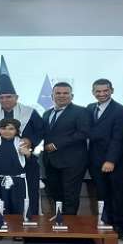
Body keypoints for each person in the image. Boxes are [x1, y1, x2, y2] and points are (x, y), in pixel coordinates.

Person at [0, 57, 44, 205]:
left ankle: (29, 221)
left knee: (28, 195)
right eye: (1, 97)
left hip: (26, 160)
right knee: (1, 199)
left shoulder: (30, 112)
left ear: (16, 97)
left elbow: (42, 131)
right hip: (0, 162)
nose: (5, 100)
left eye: (9, 97)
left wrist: (31, 141)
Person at [86, 79, 123, 237]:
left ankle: (119, 226)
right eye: (98, 91)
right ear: (93, 92)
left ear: (112, 90)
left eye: (105, 91)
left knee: (117, 194)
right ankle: (105, 221)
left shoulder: (120, 110)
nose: (102, 94)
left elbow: (118, 138)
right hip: (94, 160)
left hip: (113, 161)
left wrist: (111, 160)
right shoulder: (90, 108)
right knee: (102, 193)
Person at [41, 82, 90, 215]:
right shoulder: (46, 113)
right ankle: (59, 222)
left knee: (70, 196)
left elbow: (83, 133)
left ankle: (69, 228)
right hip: (51, 162)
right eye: (58, 93)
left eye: (65, 93)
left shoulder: (81, 111)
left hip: (73, 162)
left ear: (71, 95)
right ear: (52, 96)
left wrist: (57, 144)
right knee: (55, 194)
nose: (62, 96)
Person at [0, 118, 36, 214]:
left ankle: (18, 228)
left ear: (17, 131)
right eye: (3, 128)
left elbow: (33, 164)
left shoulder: (22, 144)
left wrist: (28, 154)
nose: (7, 131)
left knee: (19, 207)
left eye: (11, 129)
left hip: (18, 183)